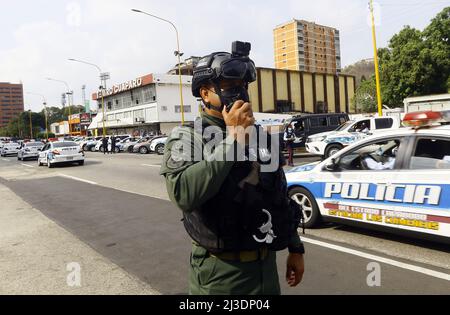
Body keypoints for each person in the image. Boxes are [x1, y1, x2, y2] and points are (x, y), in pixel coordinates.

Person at [160, 41, 305, 295]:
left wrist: (295, 247)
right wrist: (234, 139)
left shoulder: (260, 135)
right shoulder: (188, 137)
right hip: (221, 276)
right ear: (205, 93)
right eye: (229, 86)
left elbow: (277, 195)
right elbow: (183, 193)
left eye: (243, 86)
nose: (240, 93)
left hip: (265, 269)